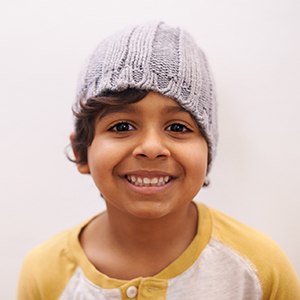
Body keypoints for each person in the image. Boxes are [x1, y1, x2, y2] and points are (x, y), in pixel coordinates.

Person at [17, 21, 300, 300]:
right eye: (122, 126)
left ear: (208, 152)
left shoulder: (261, 270)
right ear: (81, 152)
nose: (152, 148)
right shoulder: (44, 273)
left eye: (178, 127)